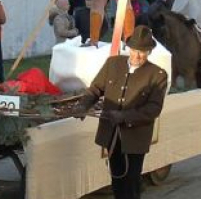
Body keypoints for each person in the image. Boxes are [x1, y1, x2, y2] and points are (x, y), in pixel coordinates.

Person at [71, 26, 168, 199]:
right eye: (135, 50)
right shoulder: (113, 64)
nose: (138, 56)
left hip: (135, 137)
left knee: (131, 182)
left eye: (143, 52)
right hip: (111, 134)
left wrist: (124, 116)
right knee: (117, 181)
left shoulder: (158, 74)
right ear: (129, 47)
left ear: (150, 51)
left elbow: (153, 108)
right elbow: (95, 89)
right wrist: (83, 106)